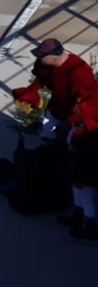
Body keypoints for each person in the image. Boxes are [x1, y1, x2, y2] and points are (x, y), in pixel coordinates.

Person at [13, 38, 98, 141]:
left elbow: (86, 100)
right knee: (46, 136)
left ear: (53, 58)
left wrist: (70, 121)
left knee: (72, 142)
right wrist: (30, 93)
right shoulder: (46, 64)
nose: (38, 59)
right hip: (55, 109)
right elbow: (41, 78)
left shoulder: (80, 72)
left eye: (41, 56)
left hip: (74, 115)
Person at [65, 89, 98, 239]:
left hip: (88, 165)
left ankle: (89, 226)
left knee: (86, 194)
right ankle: (77, 217)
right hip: (80, 160)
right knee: (77, 190)